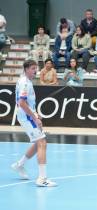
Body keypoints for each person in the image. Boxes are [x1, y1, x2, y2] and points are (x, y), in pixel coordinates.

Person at [11, 59, 57, 187]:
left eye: (36, 68)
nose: (35, 71)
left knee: (38, 143)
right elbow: (22, 103)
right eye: (32, 68)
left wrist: (35, 113)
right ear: (26, 69)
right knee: (42, 142)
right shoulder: (25, 83)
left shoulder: (25, 80)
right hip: (26, 117)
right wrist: (34, 117)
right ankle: (42, 179)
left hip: (27, 115)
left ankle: (19, 165)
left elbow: (26, 103)